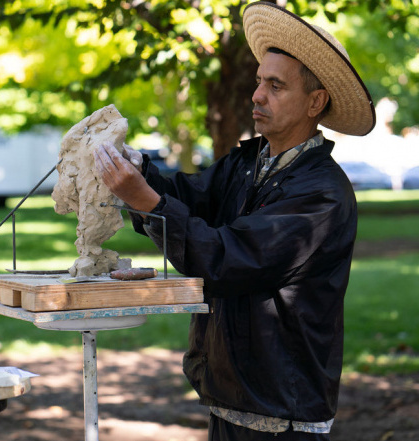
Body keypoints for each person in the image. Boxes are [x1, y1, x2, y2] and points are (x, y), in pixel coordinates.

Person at [93, 2, 376, 440]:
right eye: (259, 81)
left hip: (282, 413)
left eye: (276, 86)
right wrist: (137, 170)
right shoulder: (249, 164)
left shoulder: (321, 193)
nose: (257, 95)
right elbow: (190, 197)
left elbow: (225, 258)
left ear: (315, 102)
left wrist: (142, 199)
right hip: (233, 397)